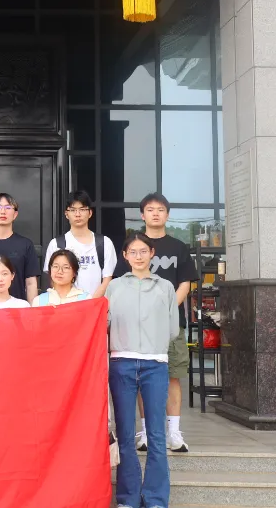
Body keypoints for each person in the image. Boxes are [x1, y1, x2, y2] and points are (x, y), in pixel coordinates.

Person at [112, 192, 199, 453]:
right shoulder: (133, 247)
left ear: (167, 215)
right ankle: (145, 432)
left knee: (173, 376)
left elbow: (185, 284)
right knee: (140, 376)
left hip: (170, 324)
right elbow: (121, 286)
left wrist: (165, 310)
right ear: (142, 215)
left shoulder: (178, 247)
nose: (156, 214)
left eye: (160, 210)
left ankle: (174, 432)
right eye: (150, 210)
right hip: (135, 328)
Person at [106, 233, 177, 508]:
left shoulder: (165, 287)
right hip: (121, 363)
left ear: (152, 253)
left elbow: (173, 328)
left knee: (156, 435)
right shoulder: (114, 287)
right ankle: (128, 498)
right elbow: (105, 323)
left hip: (155, 364)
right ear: (125, 255)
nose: (138, 256)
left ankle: (156, 499)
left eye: (143, 251)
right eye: (132, 252)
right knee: (125, 434)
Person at [42, 190, 115, 299]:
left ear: (90, 213)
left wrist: (90, 303)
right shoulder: (57, 244)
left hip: (95, 305)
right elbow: (53, 278)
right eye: (73, 210)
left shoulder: (105, 243)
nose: (77, 214)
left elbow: (107, 279)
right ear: (66, 214)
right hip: (67, 305)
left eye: (82, 209)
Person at [0, 193, 39, 304]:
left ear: (15, 214)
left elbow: (31, 283)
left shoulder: (25, 244)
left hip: (17, 308)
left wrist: (32, 310)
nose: (3, 211)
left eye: (8, 208)